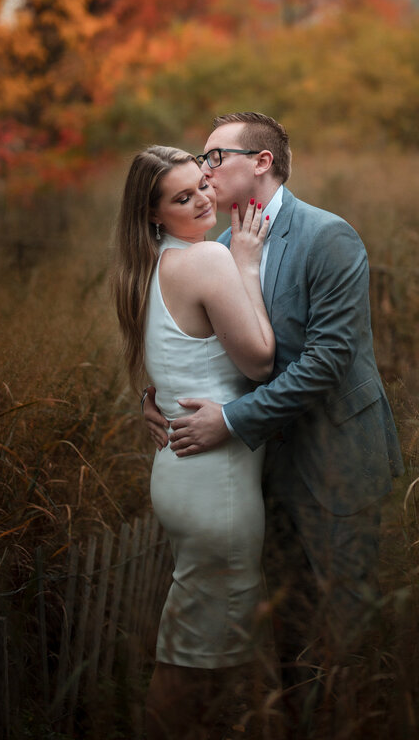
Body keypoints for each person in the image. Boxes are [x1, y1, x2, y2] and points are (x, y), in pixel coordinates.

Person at [143, 113, 403, 725]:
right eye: (199, 162)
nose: (204, 172)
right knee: (290, 638)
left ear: (261, 161)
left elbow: (327, 363)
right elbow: (202, 340)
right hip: (260, 476)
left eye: (214, 157)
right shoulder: (212, 247)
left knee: (348, 634)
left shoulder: (326, 236)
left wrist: (231, 421)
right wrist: (156, 395)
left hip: (335, 463)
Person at [112, 145, 275, 740]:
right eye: (183, 198)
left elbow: (167, 365)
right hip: (216, 485)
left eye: (201, 185)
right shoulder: (208, 258)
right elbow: (258, 362)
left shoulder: (147, 263)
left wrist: (147, 401)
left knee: (203, 650)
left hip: (178, 474)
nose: (205, 199)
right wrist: (248, 264)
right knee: (189, 662)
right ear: (155, 214)